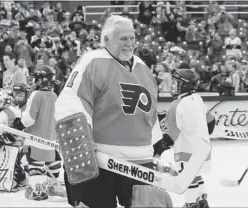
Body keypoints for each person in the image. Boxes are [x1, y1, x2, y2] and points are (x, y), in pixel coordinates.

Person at [55, 15, 169, 208]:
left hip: (140, 161)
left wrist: (157, 143)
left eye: (132, 38)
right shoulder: (93, 61)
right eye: (123, 38)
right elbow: (71, 100)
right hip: (101, 162)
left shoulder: (143, 68)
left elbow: (148, 112)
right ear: (106, 39)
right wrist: (81, 142)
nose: (130, 43)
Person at [163, 68, 215, 208]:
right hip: (203, 148)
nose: (173, 85)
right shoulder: (197, 99)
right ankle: (202, 199)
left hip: (186, 149)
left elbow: (171, 132)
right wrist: (201, 134)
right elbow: (210, 121)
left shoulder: (176, 104)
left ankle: (191, 203)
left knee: (187, 177)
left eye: (176, 82)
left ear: (185, 85)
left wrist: (161, 146)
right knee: (195, 174)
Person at [16, 65, 66, 201]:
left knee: (33, 164)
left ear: (41, 79)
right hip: (50, 141)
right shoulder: (54, 95)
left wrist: (19, 122)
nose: (34, 81)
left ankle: (38, 191)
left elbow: (28, 120)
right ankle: (50, 186)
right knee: (52, 164)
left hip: (35, 139)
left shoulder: (36, 95)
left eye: (36, 78)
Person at [0, 87, 29, 192]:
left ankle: (21, 179)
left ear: (5, 101)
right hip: (2, 142)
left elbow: (15, 136)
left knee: (10, 157)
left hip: (17, 145)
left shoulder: (12, 113)